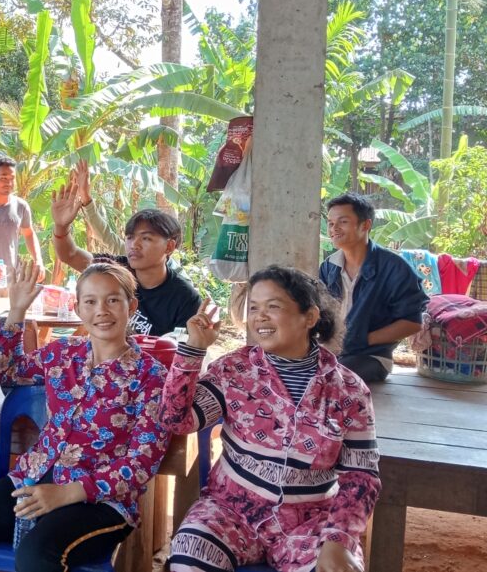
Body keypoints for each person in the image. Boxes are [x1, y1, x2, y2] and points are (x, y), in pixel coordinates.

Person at [0, 260, 170, 572]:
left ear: (131, 306)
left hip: (101, 501)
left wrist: (67, 493)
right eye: (90, 302)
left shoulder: (151, 375)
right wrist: (17, 311)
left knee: (36, 557)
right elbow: (12, 374)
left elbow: (142, 462)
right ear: (78, 309)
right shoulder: (63, 353)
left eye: (113, 300)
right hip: (33, 478)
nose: (101, 311)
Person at [163, 265, 380, 572]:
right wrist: (193, 349)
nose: (260, 317)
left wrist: (339, 541)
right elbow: (176, 420)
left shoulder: (348, 390)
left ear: (310, 317)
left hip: (310, 523)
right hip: (229, 511)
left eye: (273, 307)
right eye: (254, 308)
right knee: (189, 558)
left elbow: (361, 475)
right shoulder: (233, 370)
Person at [52, 167, 202, 336]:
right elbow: (70, 255)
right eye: (130, 237)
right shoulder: (116, 269)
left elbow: (185, 348)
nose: (134, 245)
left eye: (146, 238)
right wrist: (61, 226)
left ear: (169, 247)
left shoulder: (185, 298)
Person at [320, 192, 428, 383]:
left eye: (343, 222)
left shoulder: (394, 267)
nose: (334, 228)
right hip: (330, 352)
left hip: (370, 356)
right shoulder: (329, 267)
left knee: (329, 378)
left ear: (366, 225)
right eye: (330, 223)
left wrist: (361, 339)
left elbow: (412, 323)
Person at [0, 156, 43, 298]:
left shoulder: (21, 206)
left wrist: (38, 260)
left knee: (13, 313)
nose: (9, 183)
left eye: (12, 178)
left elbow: (29, 233)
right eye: (3, 178)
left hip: (13, 278)